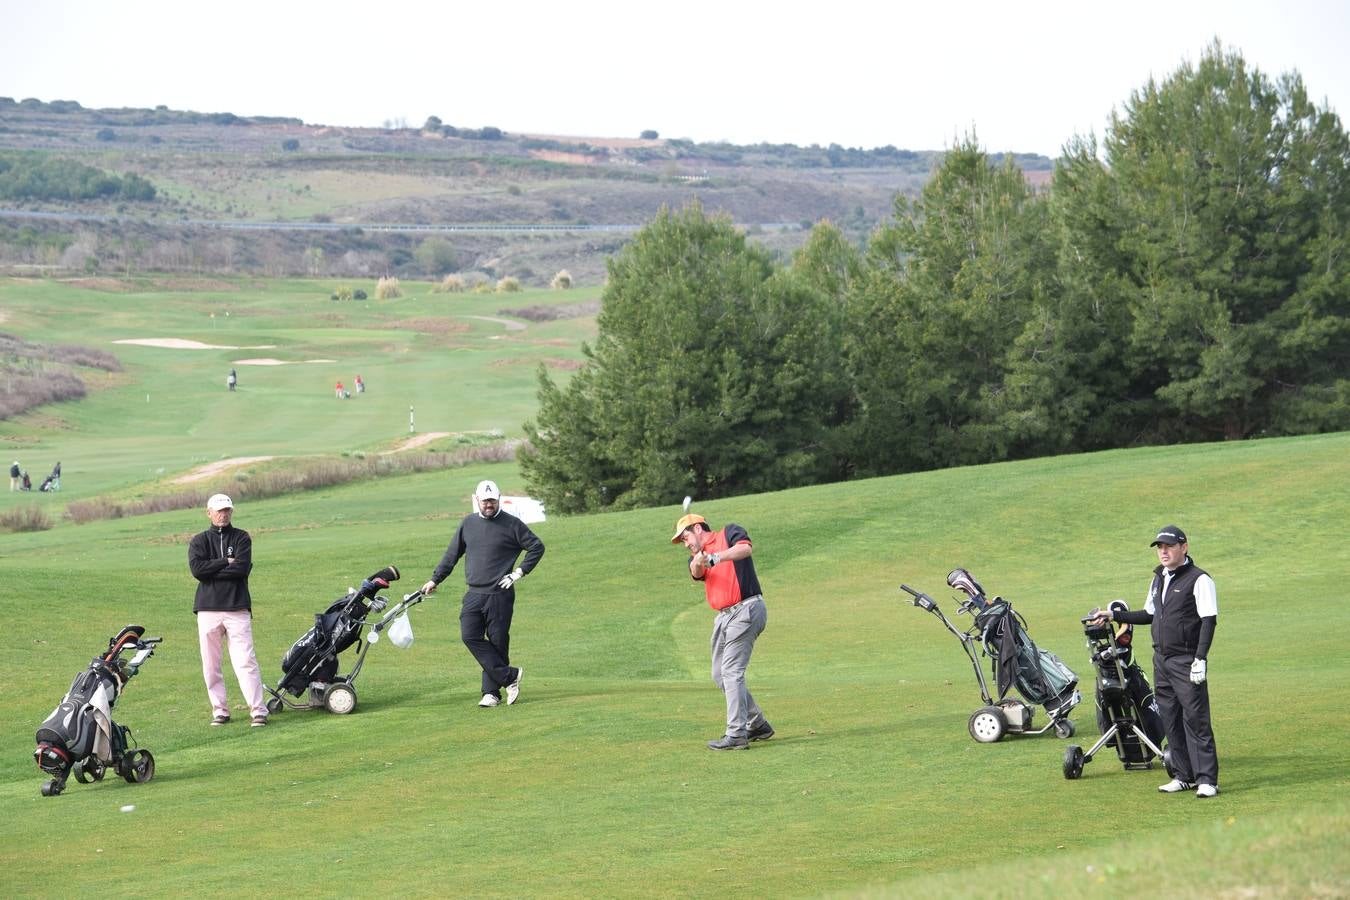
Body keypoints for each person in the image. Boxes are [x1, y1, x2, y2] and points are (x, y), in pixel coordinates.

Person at [1093, 525, 1219, 797]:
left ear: (1184, 547)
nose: (1163, 551)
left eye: (1169, 546)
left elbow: (1209, 620)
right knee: (1170, 719)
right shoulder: (1159, 578)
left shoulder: (1199, 580)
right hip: (1161, 660)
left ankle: (1207, 779)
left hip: (1186, 660)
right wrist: (1114, 616)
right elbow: (1149, 614)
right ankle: (1183, 775)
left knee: (1196, 719)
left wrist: (1200, 658)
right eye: (1160, 547)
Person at [421, 480, 544, 708]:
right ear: (476, 499)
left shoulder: (512, 524)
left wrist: (518, 573)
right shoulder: (468, 524)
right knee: (469, 635)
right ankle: (510, 677)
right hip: (474, 594)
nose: (489, 504)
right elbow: (452, 555)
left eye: (493, 500)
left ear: (498, 499)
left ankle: (491, 694)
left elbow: (537, 546)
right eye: (485, 500)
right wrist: (435, 579)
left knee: (497, 642)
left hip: (500, 593)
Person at [672, 512, 773, 750]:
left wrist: (717, 557)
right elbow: (697, 573)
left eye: (685, 537)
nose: (685, 544)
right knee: (720, 674)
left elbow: (745, 549)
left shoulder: (729, 533)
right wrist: (698, 561)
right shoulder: (695, 557)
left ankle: (736, 734)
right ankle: (757, 723)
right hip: (724, 617)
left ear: (698, 529)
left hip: (747, 608)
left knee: (731, 671)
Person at [188, 493, 269, 727]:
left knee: (245, 661)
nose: (223, 515)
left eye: (227, 511)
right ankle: (220, 711)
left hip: (237, 608)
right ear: (209, 513)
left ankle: (258, 711)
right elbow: (197, 570)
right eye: (219, 511)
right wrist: (225, 561)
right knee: (211, 665)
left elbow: (241, 570)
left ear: (231, 512)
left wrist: (213, 568)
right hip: (207, 609)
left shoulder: (242, 538)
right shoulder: (199, 541)